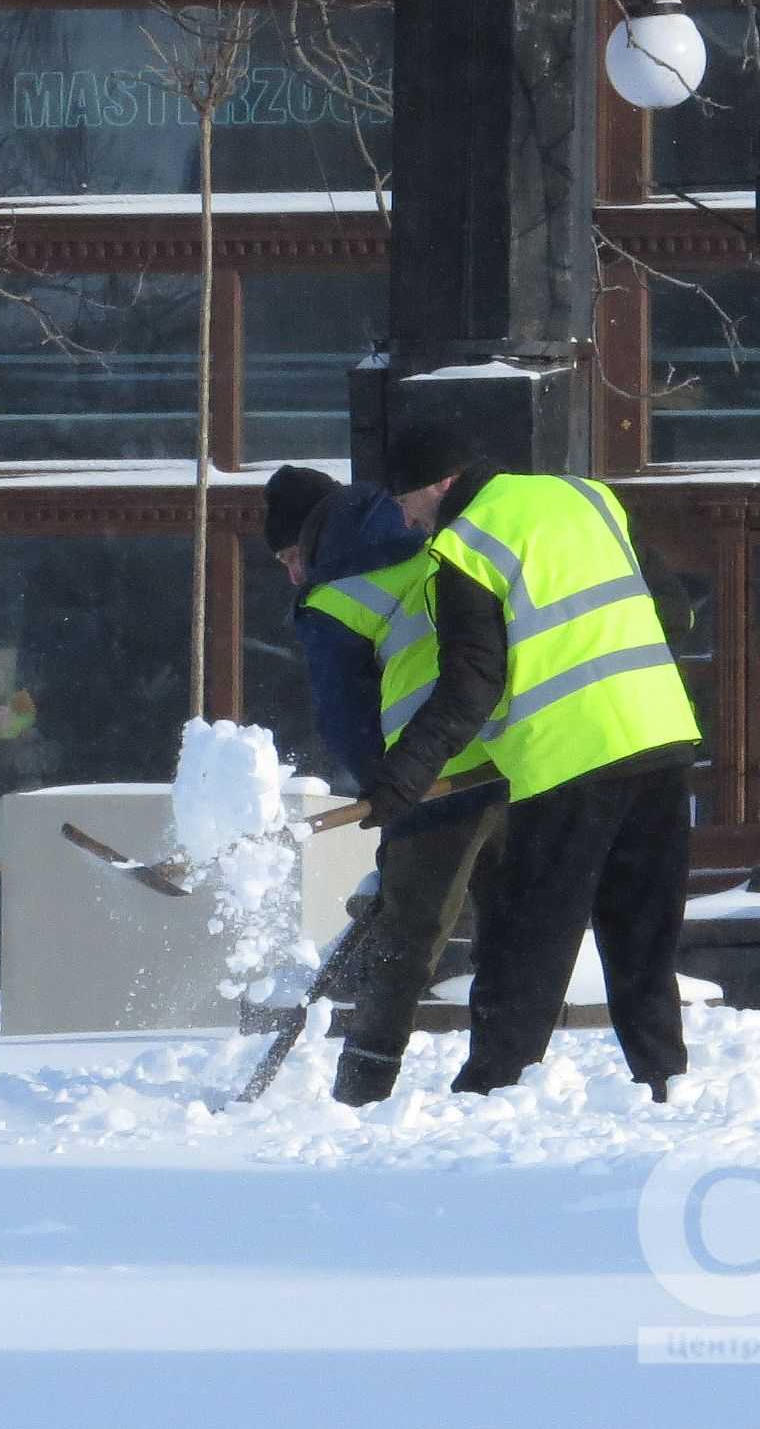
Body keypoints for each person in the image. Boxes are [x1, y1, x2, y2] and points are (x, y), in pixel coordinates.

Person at [360, 424, 701, 1103]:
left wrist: (404, 774)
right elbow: (671, 609)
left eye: (404, 502)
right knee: (642, 927)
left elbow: (468, 683)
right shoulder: (586, 498)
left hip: (567, 759)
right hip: (660, 733)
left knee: (529, 932)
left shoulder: (465, 546)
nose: (405, 519)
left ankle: (492, 1086)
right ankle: (662, 1079)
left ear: (439, 484)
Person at [261, 464, 510, 1108]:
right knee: (514, 926)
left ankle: (362, 1089)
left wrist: (387, 796)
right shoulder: (434, 538)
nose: (293, 573)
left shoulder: (333, 595)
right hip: (511, 753)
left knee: (406, 939)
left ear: (311, 538)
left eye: (290, 556)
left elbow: (345, 717)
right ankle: (506, 1077)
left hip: (430, 778)